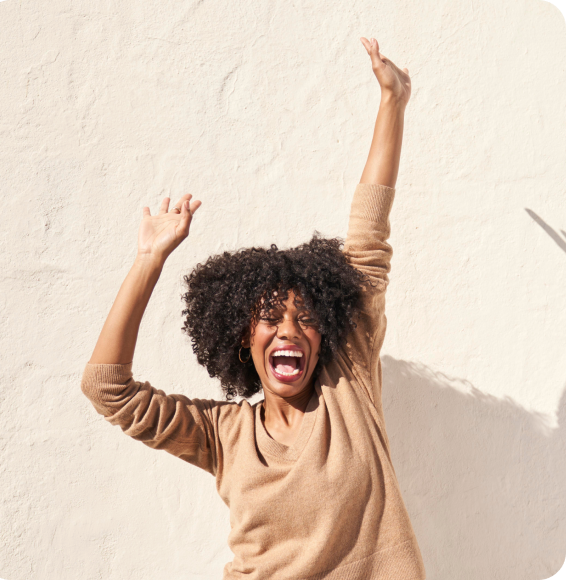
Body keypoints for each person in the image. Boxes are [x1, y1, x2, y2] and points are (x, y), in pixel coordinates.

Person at [81, 36, 426, 579]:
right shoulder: (223, 434)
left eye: (305, 318)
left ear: (326, 336)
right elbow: (108, 390)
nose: (288, 330)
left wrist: (392, 105)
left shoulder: (349, 385)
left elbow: (367, 233)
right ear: (244, 338)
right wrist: (148, 261)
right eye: (270, 318)